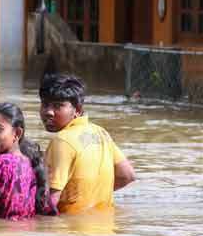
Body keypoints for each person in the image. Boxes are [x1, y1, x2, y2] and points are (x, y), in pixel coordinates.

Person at [39, 74, 136, 215]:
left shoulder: (62, 141)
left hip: (72, 231)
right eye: (45, 104)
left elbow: (51, 200)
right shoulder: (100, 133)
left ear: (77, 110)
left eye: (58, 106)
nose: (48, 112)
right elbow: (127, 175)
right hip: (105, 230)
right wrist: (91, 196)